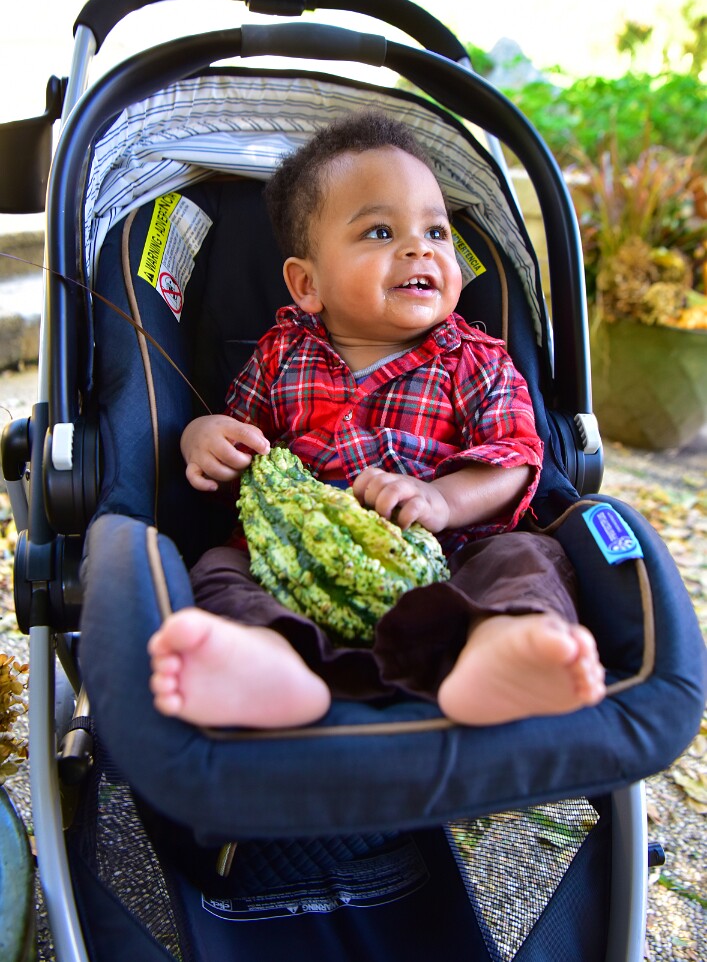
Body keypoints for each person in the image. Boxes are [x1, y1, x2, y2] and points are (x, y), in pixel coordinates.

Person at [148, 112, 605, 730]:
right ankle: (269, 663)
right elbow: (239, 442)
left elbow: (519, 457)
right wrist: (203, 438)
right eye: (381, 232)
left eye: (437, 232)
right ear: (307, 283)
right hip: (300, 572)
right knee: (217, 570)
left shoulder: (475, 359)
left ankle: (499, 651)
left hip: (448, 568)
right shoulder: (281, 356)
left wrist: (441, 499)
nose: (420, 248)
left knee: (527, 558)